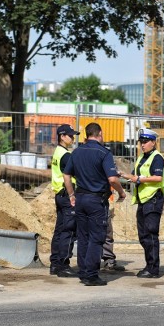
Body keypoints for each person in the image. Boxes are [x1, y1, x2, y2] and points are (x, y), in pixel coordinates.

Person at [63, 122, 126, 286]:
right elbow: (112, 179)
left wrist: (71, 195)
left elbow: (66, 175)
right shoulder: (104, 153)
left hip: (80, 199)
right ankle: (91, 275)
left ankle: (83, 272)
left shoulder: (76, 152)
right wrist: (121, 192)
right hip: (96, 200)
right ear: (99, 134)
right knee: (97, 238)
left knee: (83, 237)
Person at [120, 128, 164, 278]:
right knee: (143, 235)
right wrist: (125, 175)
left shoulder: (157, 158)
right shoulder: (142, 157)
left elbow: (157, 178)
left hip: (152, 199)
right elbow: (135, 175)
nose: (143, 145)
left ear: (153, 142)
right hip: (143, 200)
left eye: (146, 142)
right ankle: (149, 265)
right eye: (141, 142)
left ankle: (153, 269)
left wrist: (139, 179)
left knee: (151, 234)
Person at [49, 124, 80, 278]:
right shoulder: (66, 155)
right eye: (70, 135)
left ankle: (55, 264)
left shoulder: (57, 152)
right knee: (68, 230)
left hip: (59, 194)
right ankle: (63, 265)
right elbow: (73, 174)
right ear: (62, 136)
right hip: (67, 195)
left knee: (60, 230)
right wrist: (72, 195)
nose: (72, 138)